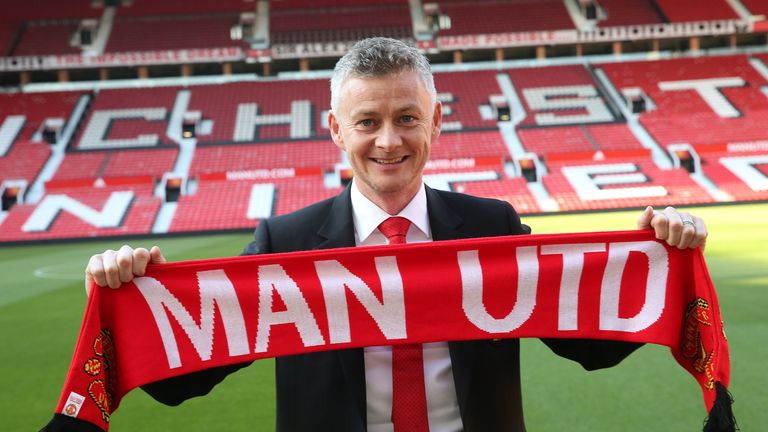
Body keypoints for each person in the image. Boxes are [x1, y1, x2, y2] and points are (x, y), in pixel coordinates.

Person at [81, 38, 708, 431]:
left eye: (407, 117)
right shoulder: (287, 242)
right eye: (367, 121)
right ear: (335, 129)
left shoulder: (492, 225)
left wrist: (659, 253)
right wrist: (128, 290)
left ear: (435, 120)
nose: (389, 141)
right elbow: (182, 379)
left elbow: (589, 345)